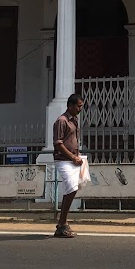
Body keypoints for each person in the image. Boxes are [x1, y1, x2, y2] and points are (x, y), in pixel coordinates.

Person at [53, 93, 86, 238]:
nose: (80, 109)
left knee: (73, 188)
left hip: (74, 159)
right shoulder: (62, 121)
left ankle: (62, 224)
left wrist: (76, 156)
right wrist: (72, 156)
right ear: (70, 106)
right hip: (63, 160)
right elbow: (58, 143)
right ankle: (62, 223)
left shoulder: (75, 120)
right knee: (71, 188)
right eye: (78, 106)